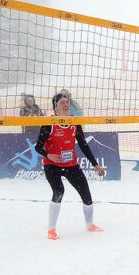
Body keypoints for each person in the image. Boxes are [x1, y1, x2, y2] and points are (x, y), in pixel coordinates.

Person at [34, 93, 106, 240]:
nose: (66, 105)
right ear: (55, 106)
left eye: (67, 102)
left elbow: (83, 145)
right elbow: (38, 147)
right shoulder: (49, 123)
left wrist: (95, 164)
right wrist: (49, 155)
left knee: (86, 194)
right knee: (59, 191)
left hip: (70, 165)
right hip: (52, 165)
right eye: (62, 102)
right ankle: (51, 230)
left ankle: (90, 225)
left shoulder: (74, 121)